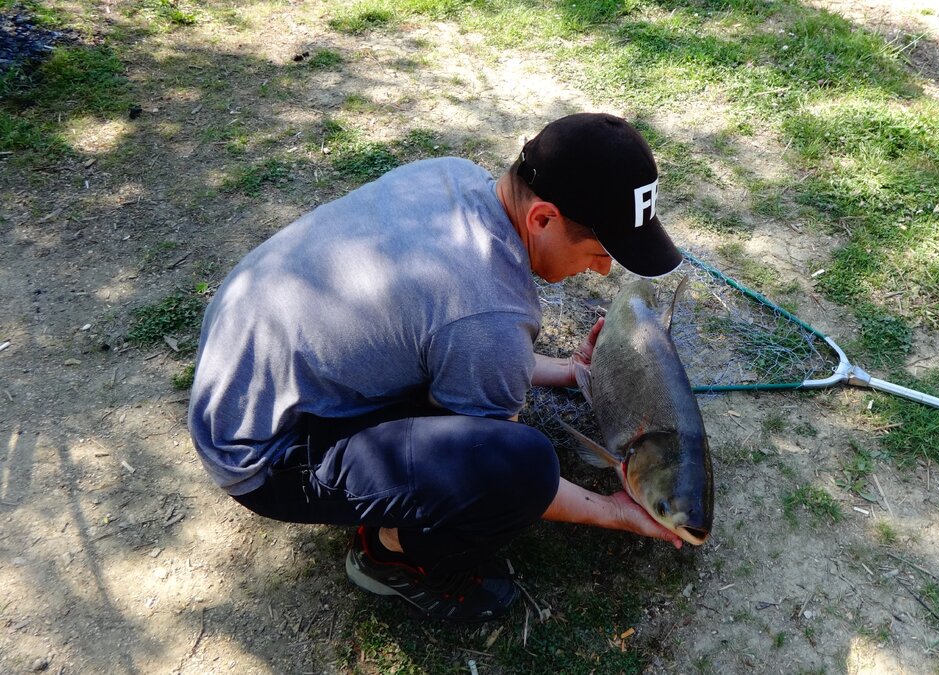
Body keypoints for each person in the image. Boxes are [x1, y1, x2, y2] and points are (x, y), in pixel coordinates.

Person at [187, 112, 686, 623]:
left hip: (243, 372)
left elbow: (444, 331)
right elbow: (495, 465)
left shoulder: (455, 175)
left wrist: (560, 369)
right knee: (522, 467)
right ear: (542, 218)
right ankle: (390, 553)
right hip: (264, 453)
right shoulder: (489, 313)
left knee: (474, 398)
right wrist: (615, 512)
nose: (604, 268)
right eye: (600, 251)